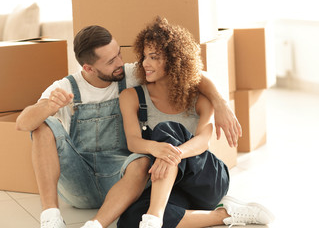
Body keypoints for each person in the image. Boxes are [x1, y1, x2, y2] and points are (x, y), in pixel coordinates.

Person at [15, 23, 242, 228]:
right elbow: (23, 123)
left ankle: (96, 225)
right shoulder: (66, 87)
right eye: (111, 61)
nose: (120, 63)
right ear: (88, 68)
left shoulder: (130, 73)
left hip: (122, 180)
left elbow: (188, 71)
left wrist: (221, 104)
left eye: (119, 54)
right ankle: (51, 217)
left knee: (143, 159)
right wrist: (48, 107)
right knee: (43, 125)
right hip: (80, 183)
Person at [112, 17, 273, 228]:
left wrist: (172, 154)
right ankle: (226, 215)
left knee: (167, 130)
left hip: (207, 179)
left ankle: (154, 216)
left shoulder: (200, 99)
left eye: (154, 57)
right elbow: (133, 142)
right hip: (169, 185)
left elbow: (203, 142)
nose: (145, 63)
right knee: (130, 220)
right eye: (144, 56)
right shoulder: (131, 97)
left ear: (174, 59)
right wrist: (158, 149)